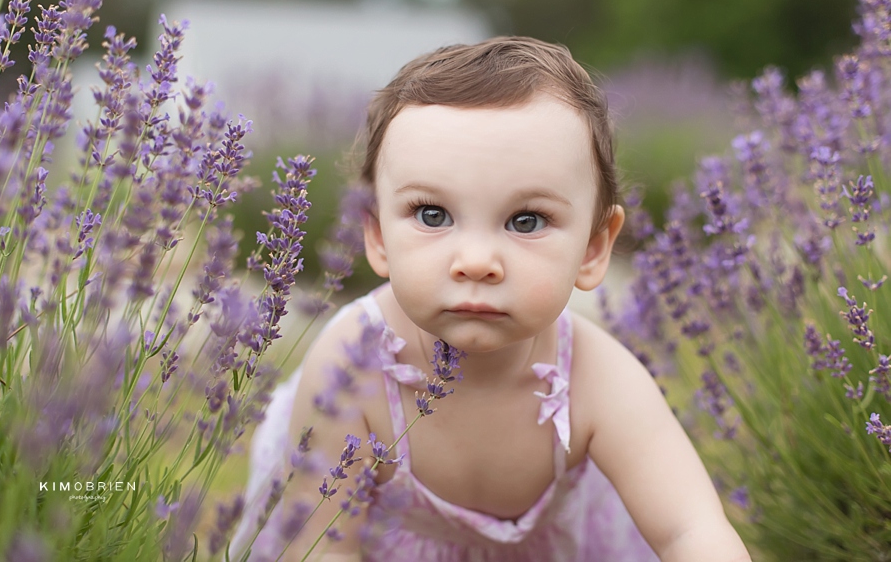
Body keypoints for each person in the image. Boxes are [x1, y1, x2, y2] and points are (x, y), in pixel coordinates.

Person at [231, 36, 751, 562]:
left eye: (526, 221)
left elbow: (691, 531)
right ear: (377, 236)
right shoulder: (351, 366)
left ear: (594, 248)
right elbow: (321, 547)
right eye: (432, 215)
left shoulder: (598, 378)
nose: (476, 260)